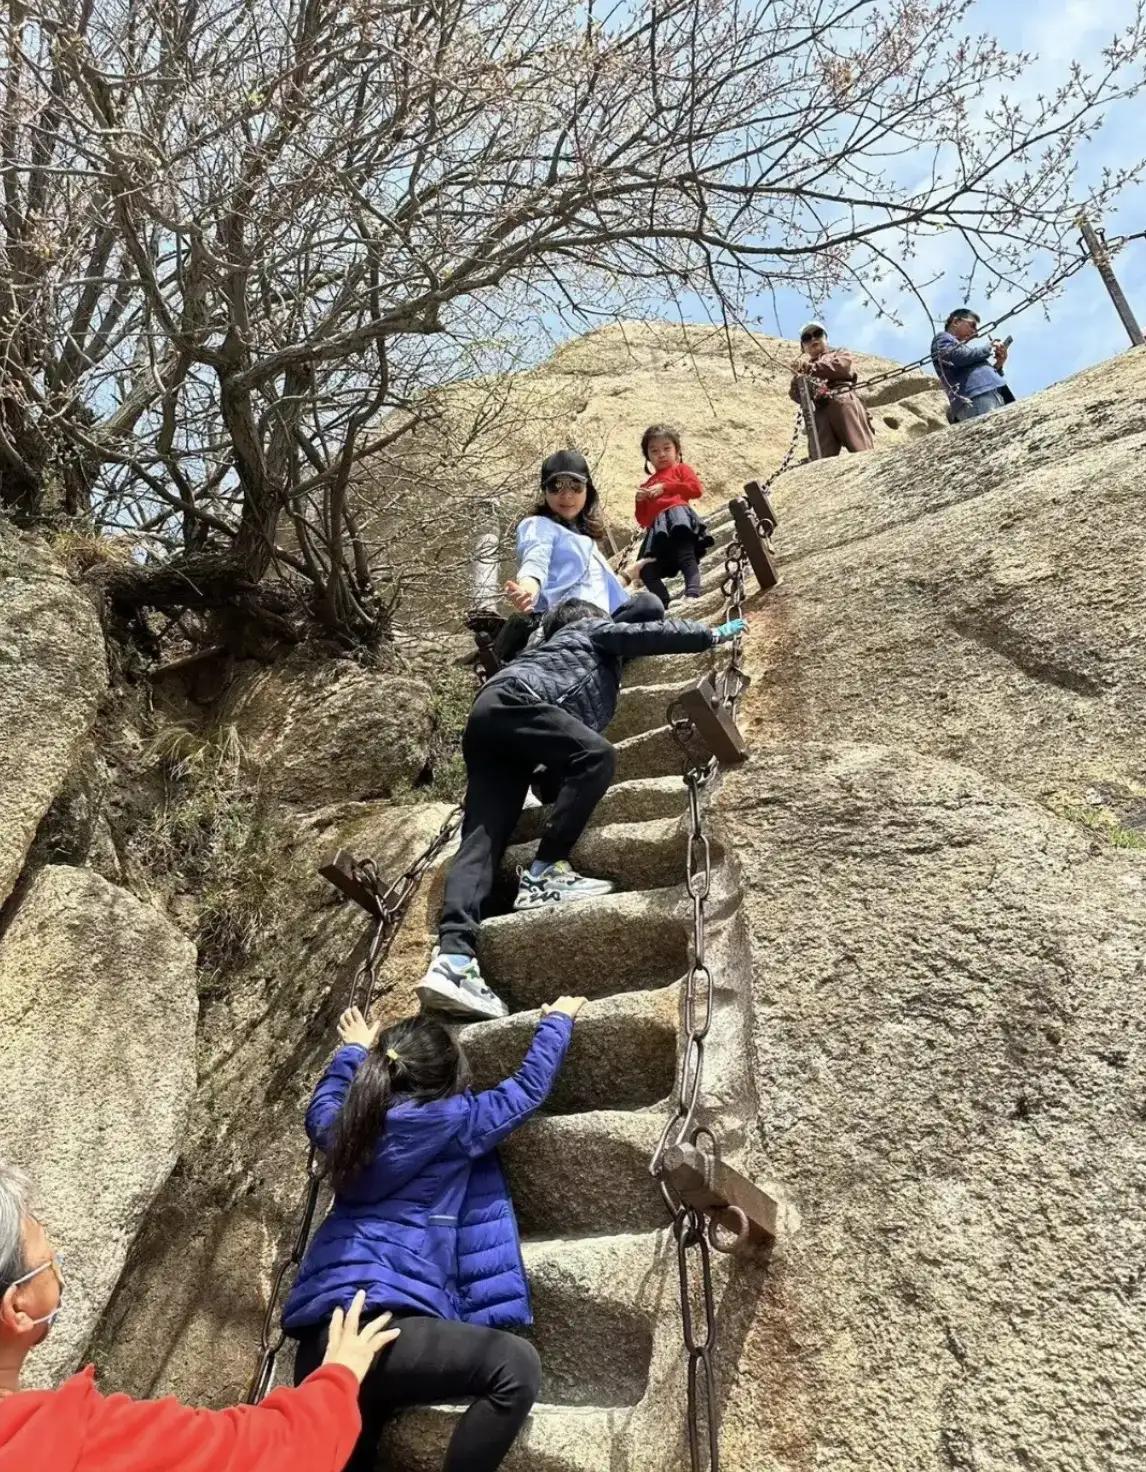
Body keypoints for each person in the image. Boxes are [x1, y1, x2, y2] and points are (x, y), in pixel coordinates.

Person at [283, 999, 585, 1472]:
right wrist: (557, 1022)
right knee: (515, 1367)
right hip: (385, 1334)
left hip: (321, 1349)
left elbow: (322, 1106)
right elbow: (526, 1089)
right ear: (448, 1079)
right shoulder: (456, 1121)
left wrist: (354, 1052)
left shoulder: (345, 1126)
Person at [418, 598, 748, 1018]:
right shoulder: (589, 631)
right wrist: (713, 633)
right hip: (519, 702)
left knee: (481, 839)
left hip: (490, 718)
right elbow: (642, 630)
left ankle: (454, 960)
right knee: (598, 757)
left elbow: (559, 761)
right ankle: (544, 873)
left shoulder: (549, 654)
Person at [0, 1158, 396, 1472]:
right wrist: (338, 1377)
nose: (59, 1270)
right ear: (17, 1306)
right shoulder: (78, 1440)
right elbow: (275, 1452)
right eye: (49, 1261)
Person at [497, 449, 661, 663]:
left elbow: (594, 590)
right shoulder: (538, 525)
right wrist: (528, 590)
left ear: (587, 490)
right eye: (556, 487)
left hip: (598, 621)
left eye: (575, 486)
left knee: (648, 606)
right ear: (544, 491)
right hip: (566, 623)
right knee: (645, 613)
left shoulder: (583, 537)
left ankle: (595, 660)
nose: (567, 496)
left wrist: (629, 575)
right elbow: (535, 560)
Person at [632, 424, 714, 606]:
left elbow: (695, 490)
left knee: (686, 555)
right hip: (658, 528)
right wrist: (639, 501)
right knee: (647, 570)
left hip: (678, 518)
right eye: (654, 451)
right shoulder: (648, 483)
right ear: (648, 457)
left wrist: (666, 487)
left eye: (666, 448)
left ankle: (692, 593)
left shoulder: (681, 470)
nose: (661, 454)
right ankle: (664, 603)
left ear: (677, 450)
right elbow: (644, 520)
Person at [788, 321, 876, 456]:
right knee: (820, 458)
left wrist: (810, 368)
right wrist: (797, 379)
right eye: (807, 338)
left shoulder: (840, 353)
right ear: (803, 347)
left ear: (825, 338)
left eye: (817, 334)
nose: (813, 339)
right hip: (819, 410)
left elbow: (841, 367)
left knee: (861, 449)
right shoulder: (803, 369)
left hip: (843, 399)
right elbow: (796, 395)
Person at [930, 308, 1012, 422]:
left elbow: (969, 366)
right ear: (956, 322)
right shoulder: (942, 338)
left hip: (989, 394)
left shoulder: (963, 349)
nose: (975, 332)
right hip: (975, 398)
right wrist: (990, 346)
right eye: (972, 325)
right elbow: (959, 356)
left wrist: (999, 364)